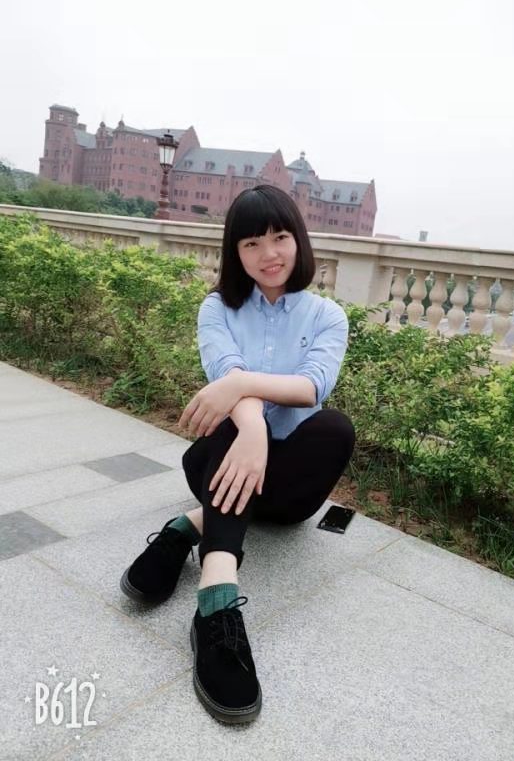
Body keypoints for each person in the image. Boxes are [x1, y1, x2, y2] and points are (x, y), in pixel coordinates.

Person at [120, 184, 356, 724]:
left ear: (298, 241)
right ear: (236, 252)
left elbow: (312, 387)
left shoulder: (327, 316)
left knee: (335, 428)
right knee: (233, 424)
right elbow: (223, 374)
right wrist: (251, 427)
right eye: (252, 243)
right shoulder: (217, 308)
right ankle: (217, 602)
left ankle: (188, 526)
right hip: (217, 463)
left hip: (286, 489)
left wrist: (243, 386)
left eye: (280, 237)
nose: (269, 254)